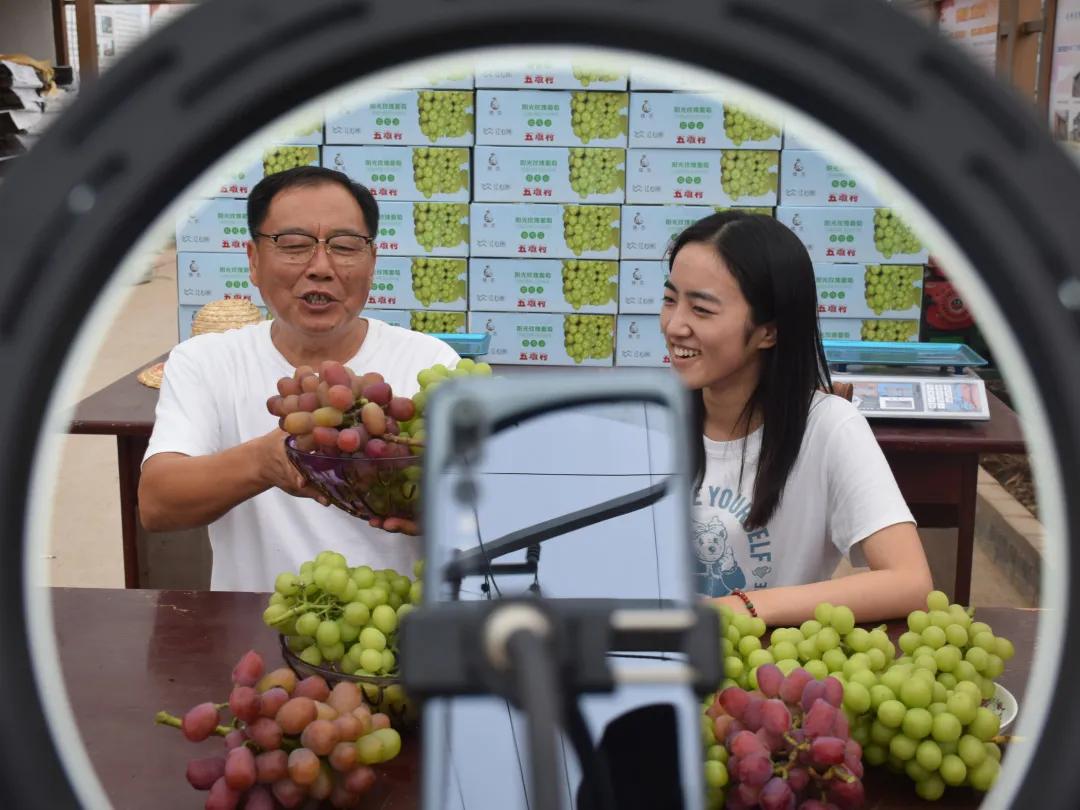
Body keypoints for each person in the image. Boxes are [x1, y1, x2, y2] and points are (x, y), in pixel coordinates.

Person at [139, 166, 460, 591]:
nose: (321, 267)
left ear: (372, 262)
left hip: (390, 638)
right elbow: (158, 503)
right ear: (253, 261)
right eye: (293, 245)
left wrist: (440, 513)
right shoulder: (205, 362)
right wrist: (262, 462)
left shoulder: (428, 361)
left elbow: (483, 499)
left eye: (345, 246)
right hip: (258, 632)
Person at [660, 211, 933, 625]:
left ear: (769, 331)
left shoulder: (829, 428)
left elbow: (910, 582)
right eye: (669, 299)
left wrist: (736, 609)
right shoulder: (646, 419)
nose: (675, 325)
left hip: (771, 673)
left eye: (701, 309)